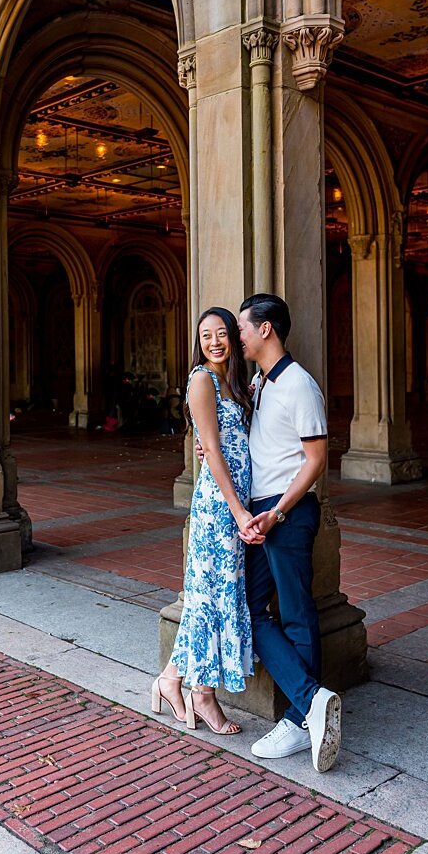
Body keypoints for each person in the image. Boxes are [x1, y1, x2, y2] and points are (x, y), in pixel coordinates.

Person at [235, 293, 343, 773]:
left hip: (287, 514)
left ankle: (301, 717)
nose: (237, 337)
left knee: (297, 614)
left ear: (266, 330)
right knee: (250, 608)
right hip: (260, 516)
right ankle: (312, 701)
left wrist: (277, 513)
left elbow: (316, 461)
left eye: (242, 328)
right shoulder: (259, 382)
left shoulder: (300, 385)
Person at [151, 307, 256, 734]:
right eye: (205, 335)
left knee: (207, 595)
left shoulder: (236, 385)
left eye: (221, 333)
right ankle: (204, 695)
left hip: (234, 503)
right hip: (219, 507)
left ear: (233, 336)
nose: (214, 341)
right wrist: (237, 509)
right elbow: (210, 451)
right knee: (212, 596)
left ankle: (171, 680)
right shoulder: (202, 380)